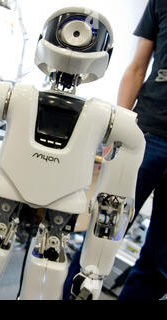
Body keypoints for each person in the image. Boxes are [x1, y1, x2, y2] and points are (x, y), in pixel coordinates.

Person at [63, 0, 167, 300]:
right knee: (99, 240)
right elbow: (137, 66)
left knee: (161, 261)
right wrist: (120, 126)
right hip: (146, 134)